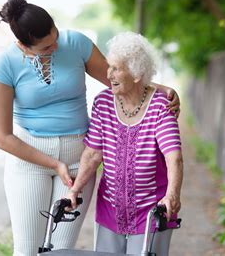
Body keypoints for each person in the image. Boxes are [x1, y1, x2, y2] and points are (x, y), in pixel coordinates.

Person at [0, 0, 180, 256]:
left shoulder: (75, 43)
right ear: (23, 46)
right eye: (45, 47)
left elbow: (120, 78)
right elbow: (1, 137)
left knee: (62, 249)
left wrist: (162, 90)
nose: (55, 47)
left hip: (79, 158)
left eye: (55, 37)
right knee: (28, 248)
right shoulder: (4, 64)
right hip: (30, 162)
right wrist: (54, 164)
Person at [66, 32, 183, 255]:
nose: (108, 74)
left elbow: (174, 157)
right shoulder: (103, 103)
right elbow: (92, 154)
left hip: (152, 210)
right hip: (110, 207)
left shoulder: (160, 106)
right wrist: (75, 190)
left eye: (116, 69)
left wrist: (172, 195)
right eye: (109, 67)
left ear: (138, 74)